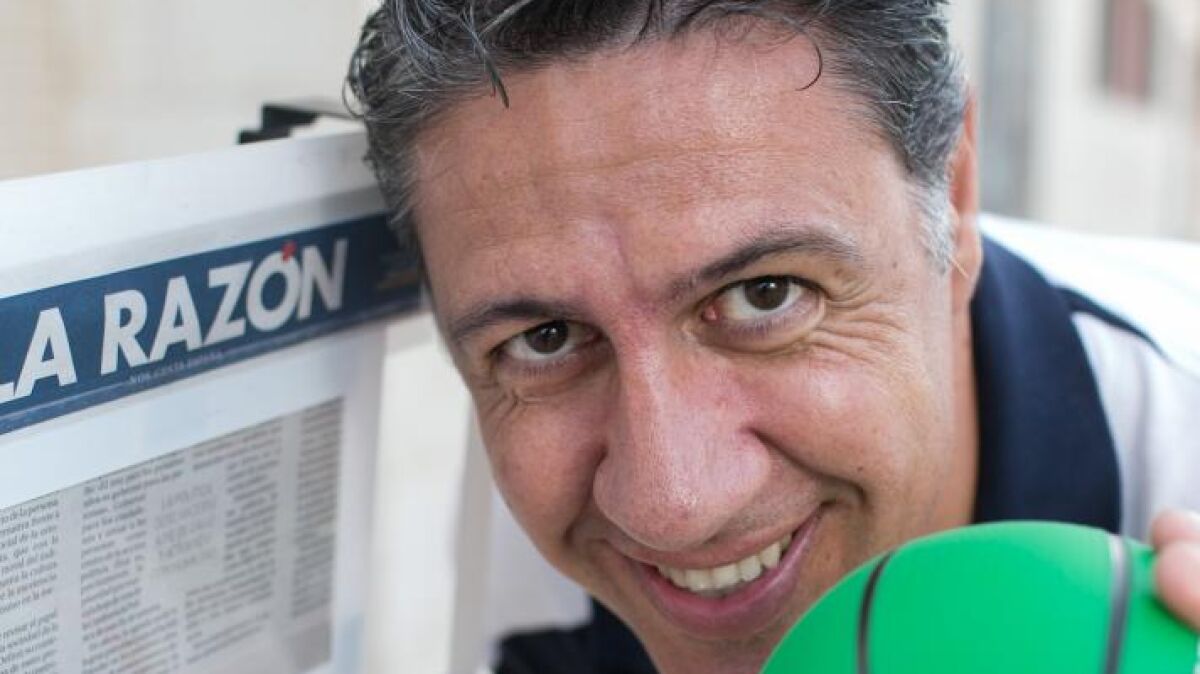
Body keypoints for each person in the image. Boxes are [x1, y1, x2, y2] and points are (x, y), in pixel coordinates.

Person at [347, 2, 1200, 672]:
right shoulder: (562, 537)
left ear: (953, 193)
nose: (671, 506)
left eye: (765, 295)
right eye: (549, 336)